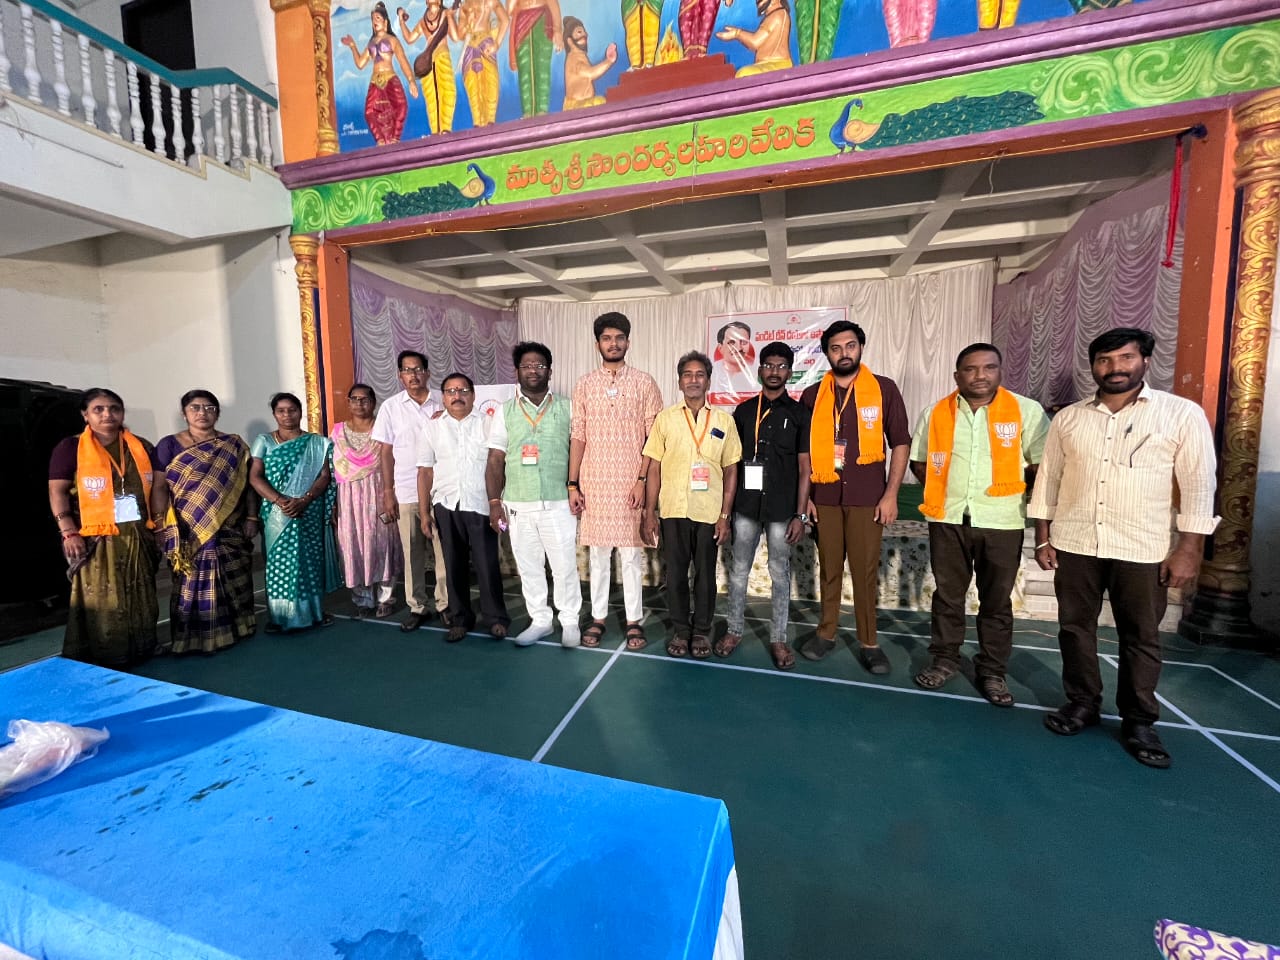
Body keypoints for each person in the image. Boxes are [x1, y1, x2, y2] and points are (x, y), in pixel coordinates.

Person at [1029, 327, 1218, 769]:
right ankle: (1082, 702)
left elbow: (1197, 484)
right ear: (1093, 366)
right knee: (1075, 629)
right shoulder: (1069, 418)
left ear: (1145, 361)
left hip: (1142, 547)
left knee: (1141, 636)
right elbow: (1048, 479)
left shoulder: (1180, 414)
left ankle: (1139, 720)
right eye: (1104, 360)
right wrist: (1043, 536)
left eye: (1125, 358)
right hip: (1076, 542)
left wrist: (1189, 548)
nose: (1115, 368)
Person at [909, 344, 1048, 705]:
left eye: (988, 368)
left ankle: (992, 671)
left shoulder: (1026, 411)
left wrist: (1014, 493)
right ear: (957, 376)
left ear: (1000, 371)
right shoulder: (935, 413)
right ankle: (944, 660)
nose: (980, 376)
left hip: (1001, 520)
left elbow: (1041, 465)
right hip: (948, 518)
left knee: (996, 601)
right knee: (947, 596)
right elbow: (920, 462)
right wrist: (945, 490)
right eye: (971, 369)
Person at [799, 320, 910, 673]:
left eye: (850, 346)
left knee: (864, 573)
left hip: (867, 497)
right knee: (829, 570)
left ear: (860, 347)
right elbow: (804, 453)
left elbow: (900, 442)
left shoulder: (884, 389)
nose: (843, 353)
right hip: (825, 496)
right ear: (827, 354)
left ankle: (869, 642)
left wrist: (891, 494)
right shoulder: (813, 395)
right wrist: (807, 497)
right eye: (835, 348)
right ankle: (826, 633)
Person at [48, 388, 167, 667]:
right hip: (96, 537)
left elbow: (157, 488)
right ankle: (108, 654)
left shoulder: (141, 446)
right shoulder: (71, 448)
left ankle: (144, 646)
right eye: (98, 409)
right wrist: (68, 531)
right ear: (85, 415)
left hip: (138, 532)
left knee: (142, 591)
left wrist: (160, 526)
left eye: (114, 408)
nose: (107, 414)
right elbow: (57, 492)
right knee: (103, 598)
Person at [569, 312, 664, 651]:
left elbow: (654, 440)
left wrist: (641, 480)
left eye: (619, 338)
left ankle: (634, 620)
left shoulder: (644, 382)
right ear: (597, 344)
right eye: (607, 338)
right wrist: (573, 484)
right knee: (598, 556)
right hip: (595, 482)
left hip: (630, 484)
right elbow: (578, 435)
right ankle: (598, 617)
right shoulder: (584, 384)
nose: (613, 343)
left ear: (628, 342)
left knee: (631, 556)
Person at [642, 352, 742, 659]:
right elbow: (654, 467)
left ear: (709, 381)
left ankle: (701, 630)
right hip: (673, 508)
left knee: (705, 574)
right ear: (679, 382)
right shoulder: (665, 419)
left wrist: (725, 515)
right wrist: (649, 512)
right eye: (688, 374)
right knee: (675, 574)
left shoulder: (724, 420)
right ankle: (681, 630)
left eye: (700, 374)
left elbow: (731, 469)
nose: (693, 380)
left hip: (709, 511)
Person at [485, 342, 582, 647]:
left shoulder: (568, 407)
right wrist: (494, 503)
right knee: (529, 567)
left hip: (558, 501)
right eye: (527, 365)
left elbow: (580, 452)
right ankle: (541, 621)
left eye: (540, 365)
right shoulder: (505, 411)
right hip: (517, 502)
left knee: (564, 566)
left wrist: (576, 487)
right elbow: (495, 459)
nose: (533, 371)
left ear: (550, 371)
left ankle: (569, 621)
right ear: (517, 371)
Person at [723, 342, 811, 670]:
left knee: (779, 573)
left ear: (790, 372)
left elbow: (805, 469)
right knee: (738, 571)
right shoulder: (744, 412)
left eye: (781, 366)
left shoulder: (800, 414)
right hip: (746, 506)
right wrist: (726, 511)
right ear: (759, 370)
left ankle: (778, 638)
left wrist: (800, 515)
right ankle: (733, 630)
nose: (774, 372)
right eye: (769, 366)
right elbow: (732, 464)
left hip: (782, 509)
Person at [156, 390, 258, 654]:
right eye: (195, 407)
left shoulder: (233, 445)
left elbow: (247, 486)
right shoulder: (169, 445)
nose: (202, 413)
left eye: (209, 408)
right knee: (190, 581)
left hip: (229, 526)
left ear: (217, 413)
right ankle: (193, 638)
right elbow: (159, 487)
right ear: (184, 413)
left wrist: (251, 516)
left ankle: (237, 628)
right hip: (187, 527)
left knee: (233, 576)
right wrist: (160, 523)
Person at [418, 373, 511, 642]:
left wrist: (498, 503)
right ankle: (460, 618)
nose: (457, 396)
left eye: (462, 390)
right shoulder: (432, 428)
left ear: (473, 395)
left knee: (487, 564)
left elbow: (499, 464)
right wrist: (424, 513)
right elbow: (425, 472)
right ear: (443, 397)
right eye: (451, 391)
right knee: (453, 564)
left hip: (481, 503)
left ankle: (496, 618)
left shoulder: (488, 423)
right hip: (446, 504)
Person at [371, 350, 450, 631]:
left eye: (418, 369)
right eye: (407, 370)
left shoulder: (444, 401)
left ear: (427, 372)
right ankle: (418, 606)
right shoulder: (391, 407)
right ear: (399, 375)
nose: (413, 375)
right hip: (405, 490)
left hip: (442, 488)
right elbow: (385, 452)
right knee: (412, 551)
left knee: (443, 551)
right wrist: (387, 492)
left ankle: (445, 604)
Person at [249, 392, 340, 632]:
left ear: (301, 412)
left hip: (309, 510)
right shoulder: (264, 441)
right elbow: (255, 477)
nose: (287, 415)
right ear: (274, 414)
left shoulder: (317, 443)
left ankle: (314, 613)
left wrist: (305, 500)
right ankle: (280, 617)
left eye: (292, 410)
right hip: (276, 513)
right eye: (281, 411)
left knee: (309, 561)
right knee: (279, 562)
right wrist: (281, 501)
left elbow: (324, 476)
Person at [332, 384, 402, 619]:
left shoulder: (383, 428)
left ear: (373, 402)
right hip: (348, 499)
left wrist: (392, 494)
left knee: (382, 543)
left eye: (364, 399)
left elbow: (394, 461)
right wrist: (333, 504)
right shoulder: (337, 431)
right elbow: (332, 469)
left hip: (379, 493)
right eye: (354, 399)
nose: (359, 403)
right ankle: (362, 599)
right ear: (348, 402)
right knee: (353, 545)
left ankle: (385, 598)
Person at [340, 1, 419, 146]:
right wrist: (352, 46)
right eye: (372, 19)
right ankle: (380, 139)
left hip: (390, 77)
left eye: (377, 18)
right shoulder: (371, 43)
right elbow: (360, 64)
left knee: (401, 106)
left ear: (385, 22)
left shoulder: (392, 40)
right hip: (375, 80)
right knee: (369, 112)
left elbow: (402, 60)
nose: (374, 22)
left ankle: (395, 138)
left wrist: (411, 80)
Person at [399, 0, 456, 135]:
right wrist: (401, 21)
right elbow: (409, 39)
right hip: (426, 62)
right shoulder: (422, 21)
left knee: (448, 91)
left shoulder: (445, 13)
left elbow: (454, 37)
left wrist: (450, 17)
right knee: (431, 98)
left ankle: (445, 129)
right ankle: (435, 132)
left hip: (442, 55)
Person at [452, 0, 508, 127]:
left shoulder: (489, 2)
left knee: (491, 80)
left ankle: (490, 120)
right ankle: (477, 122)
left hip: (486, 43)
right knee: (472, 84)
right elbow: (460, 35)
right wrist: (468, 22)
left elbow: (505, 20)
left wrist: (497, 44)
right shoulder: (464, 7)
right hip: (470, 46)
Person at [507, 0, 562, 117]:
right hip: (521, 23)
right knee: (524, 68)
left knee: (542, 66)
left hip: (542, 19)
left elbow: (553, 3)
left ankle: (542, 109)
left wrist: (557, 30)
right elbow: (509, 10)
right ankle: (527, 111)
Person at [716, 0, 794, 77]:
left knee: (743, 73)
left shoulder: (778, 15)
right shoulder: (773, 15)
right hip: (766, 63)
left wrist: (737, 33)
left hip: (779, 63)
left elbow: (755, 42)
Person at [562, 16, 616, 110]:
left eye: (584, 32)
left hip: (583, 104)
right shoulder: (573, 58)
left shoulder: (580, 56)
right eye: (579, 32)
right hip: (575, 107)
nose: (585, 34)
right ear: (569, 41)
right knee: (599, 102)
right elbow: (590, 73)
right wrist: (608, 61)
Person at [709, 321, 759, 404]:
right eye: (731, 342)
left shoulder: (759, 371)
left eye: (744, 342)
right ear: (720, 347)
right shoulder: (711, 374)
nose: (738, 348)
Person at [621, 0, 662, 69]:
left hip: (652, 5)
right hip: (631, 6)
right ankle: (635, 63)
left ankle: (649, 61)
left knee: (651, 32)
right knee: (633, 33)